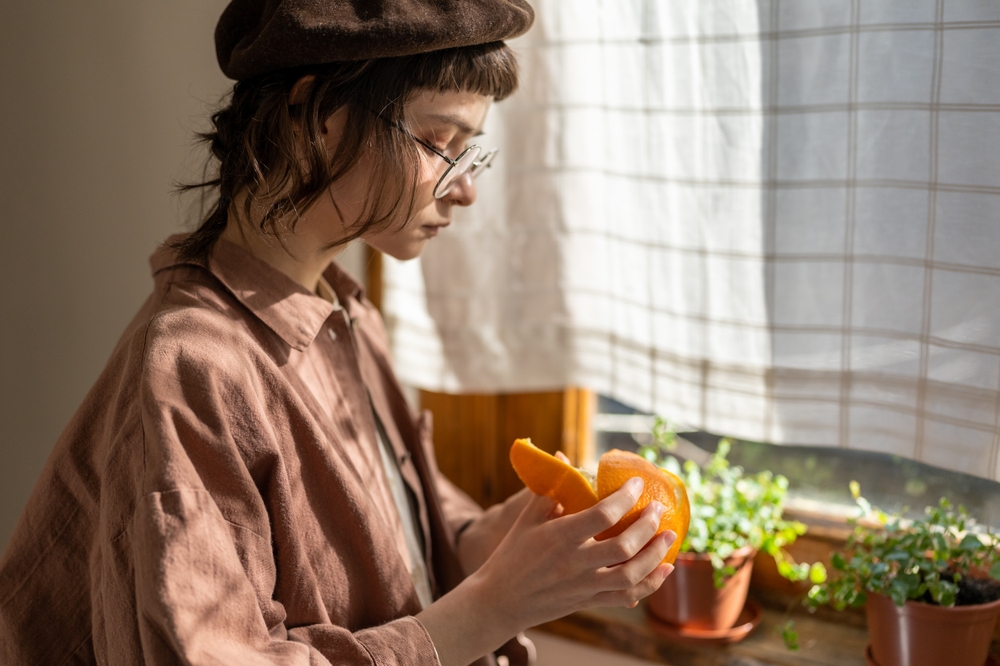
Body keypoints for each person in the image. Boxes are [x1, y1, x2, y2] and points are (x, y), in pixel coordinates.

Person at [0, 1, 676, 664]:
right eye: (439, 142)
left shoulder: (345, 316)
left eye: (471, 153)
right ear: (317, 118)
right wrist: (496, 604)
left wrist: (503, 537)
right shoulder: (191, 367)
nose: (464, 189)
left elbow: (399, 541)